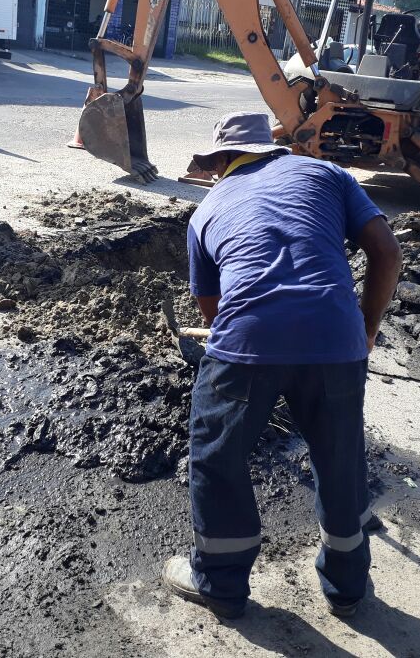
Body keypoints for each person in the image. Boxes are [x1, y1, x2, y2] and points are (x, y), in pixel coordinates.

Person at [161, 112, 402, 620]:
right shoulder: (327, 174)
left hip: (248, 344)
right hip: (338, 342)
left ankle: (221, 586)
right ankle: (348, 585)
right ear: (273, 148)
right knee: (340, 457)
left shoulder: (205, 212)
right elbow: (387, 253)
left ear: (221, 161)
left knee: (217, 457)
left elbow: (215, 311)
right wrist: (368, 328)